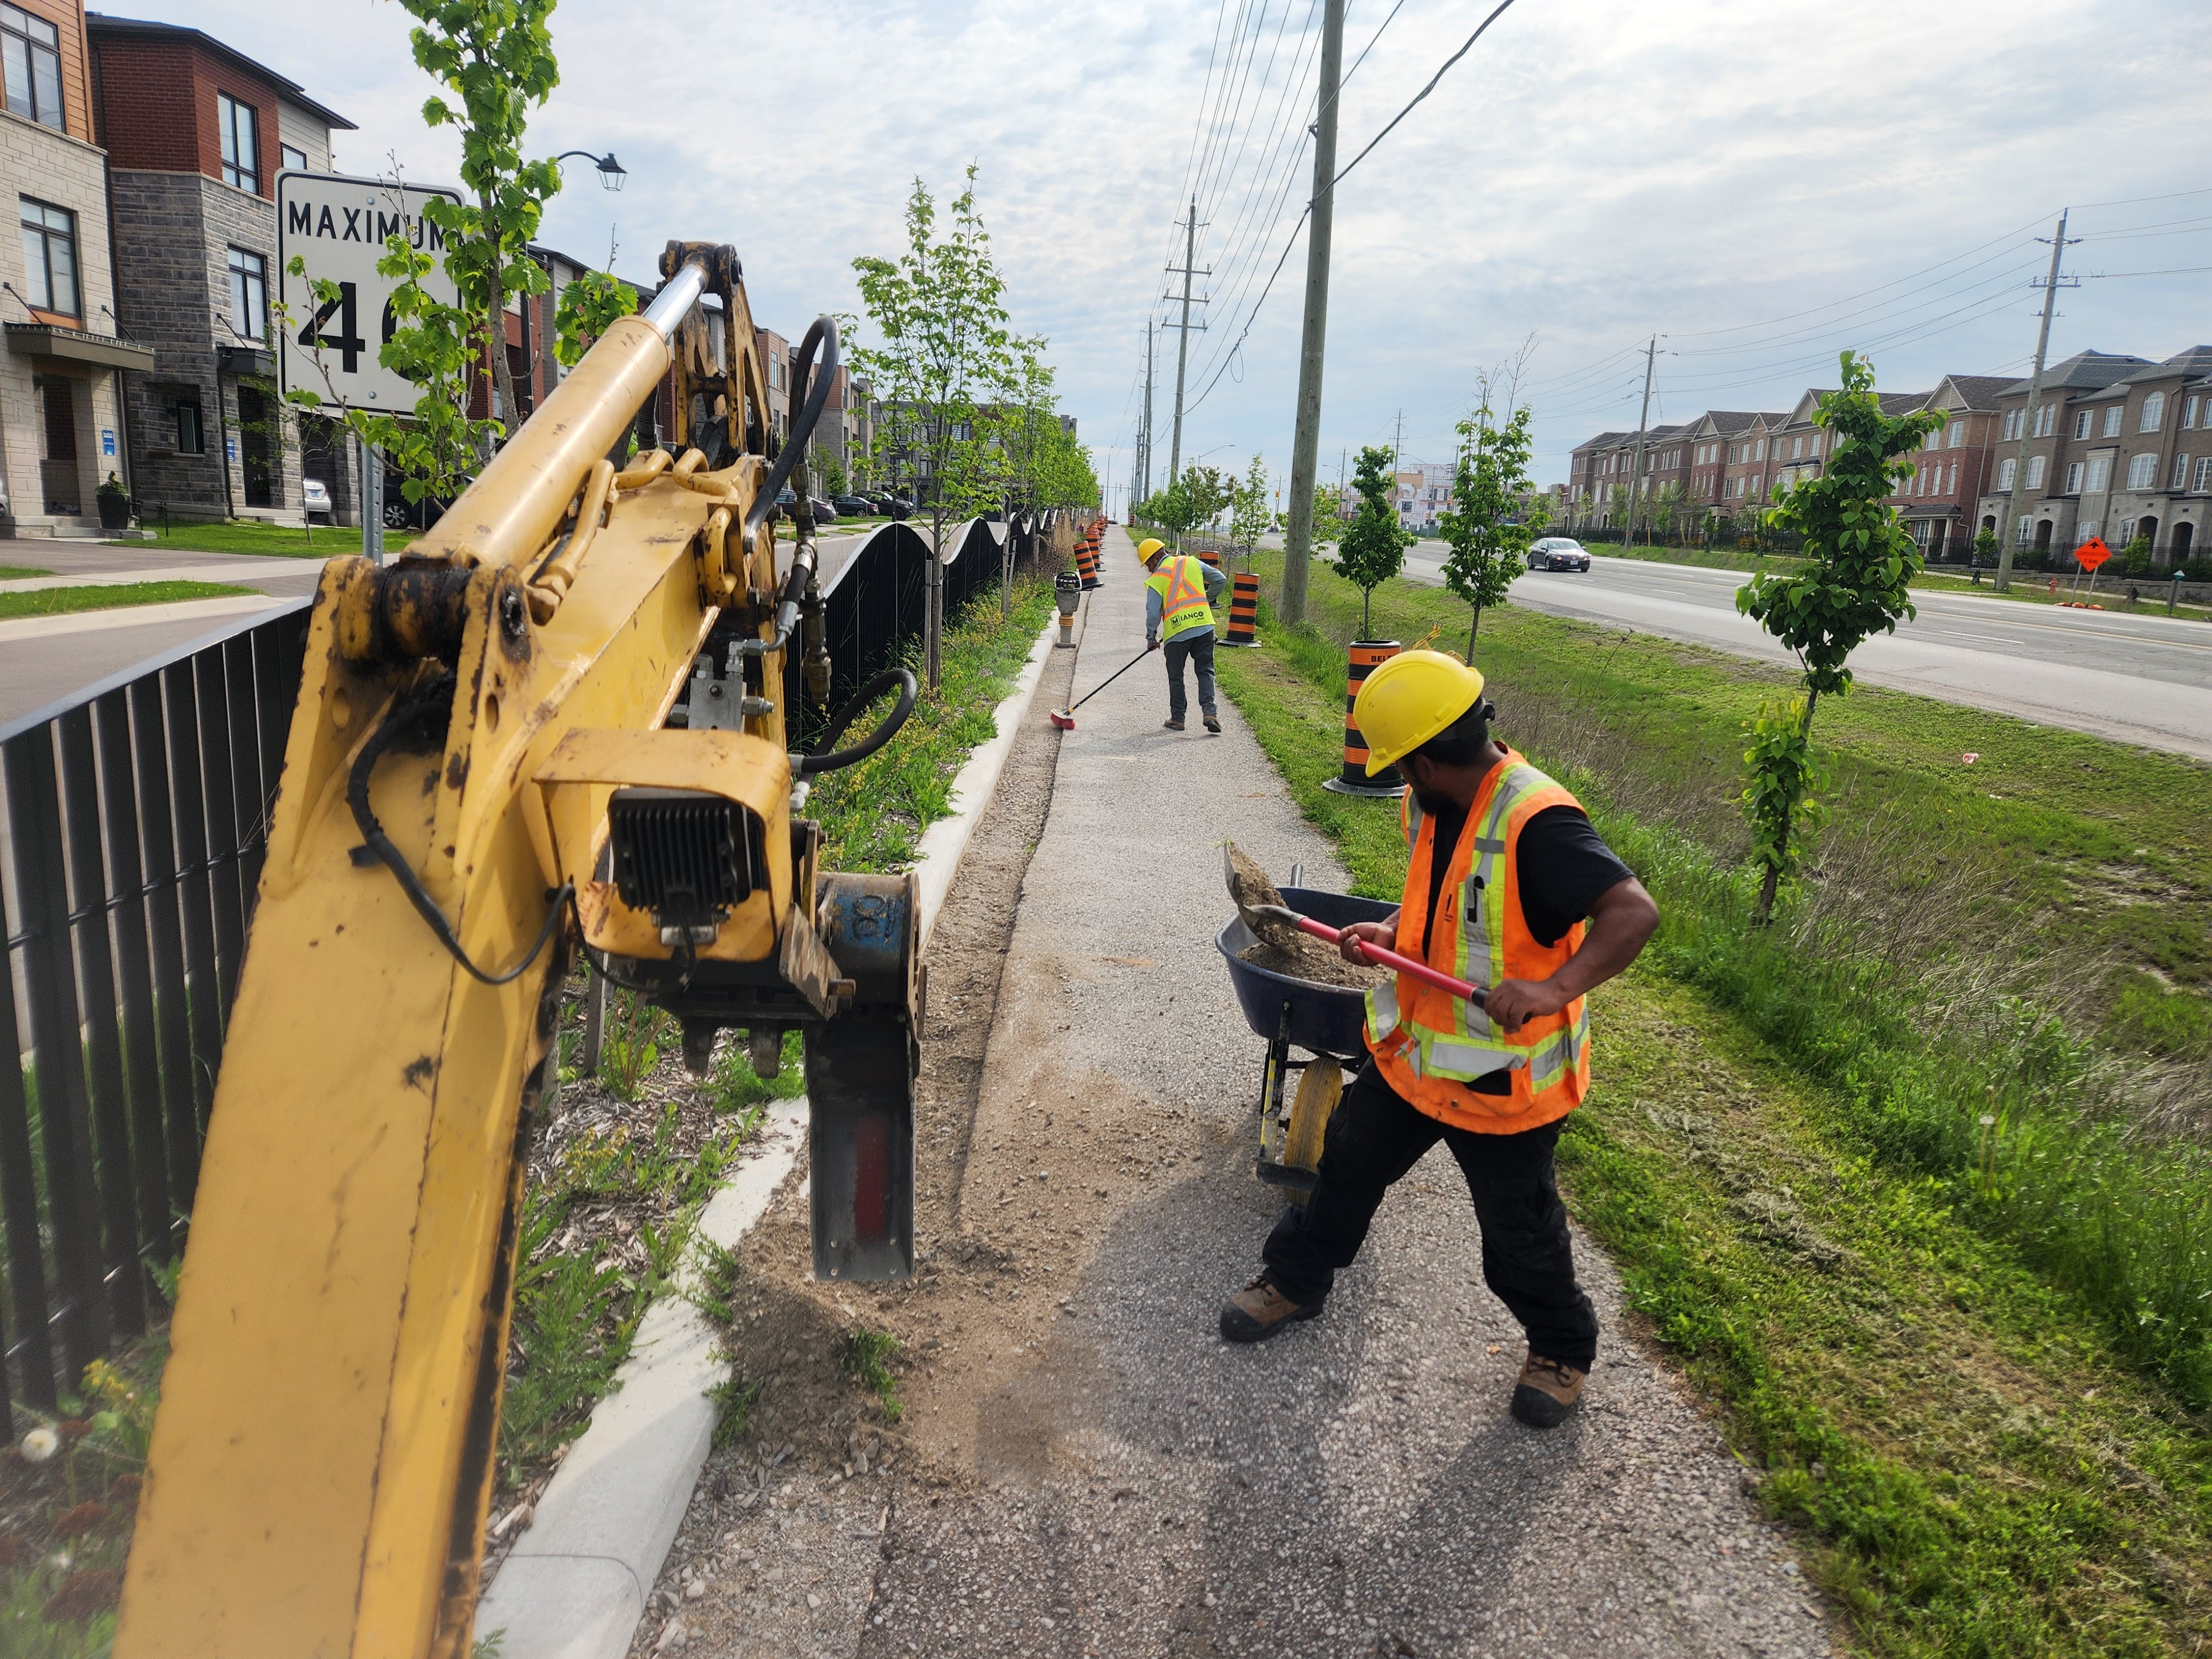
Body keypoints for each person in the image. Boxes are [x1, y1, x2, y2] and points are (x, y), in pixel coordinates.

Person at [1218, 650, 1660, 1428]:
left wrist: (1554, 989)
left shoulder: (1540, 822)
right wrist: (1390, 930)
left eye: (1400, 766)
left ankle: (1561, 1348)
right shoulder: (1433, 805)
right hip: (1417, 1059)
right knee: (1346, 1169)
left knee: (1518, 1237)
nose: (1399, 780)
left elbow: (1633, 912)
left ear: (1425, 759)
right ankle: (1294, 1281)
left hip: (1503, 1086)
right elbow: (1450, 898)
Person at [1139, 537, 1228, 733]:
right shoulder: (1192, 561)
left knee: (1176, 676)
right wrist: (1206, 599)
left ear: (1156, 557)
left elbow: (1153, 613)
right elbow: (1220, 579)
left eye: (1148, 564)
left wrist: (1151, 639)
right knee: (1206, 671)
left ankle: (1178, 718)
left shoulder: (1157, 578)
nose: (1148, 569)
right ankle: (1210, 713)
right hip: (1204, 627)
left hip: (1177, 633)